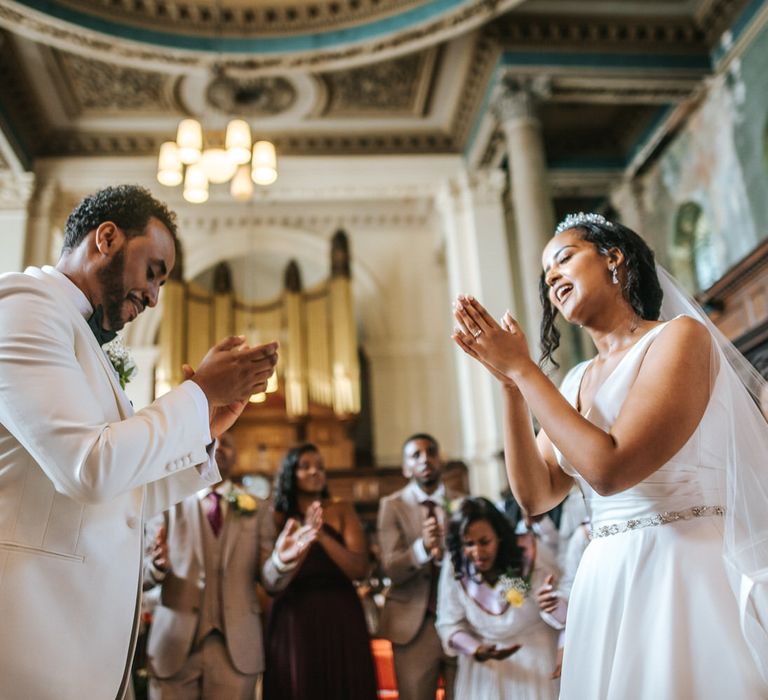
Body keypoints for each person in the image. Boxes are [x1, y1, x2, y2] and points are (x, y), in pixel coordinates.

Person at [451, 212, 768, 698]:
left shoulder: (680, 338)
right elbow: (535, 495)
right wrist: (512, 388)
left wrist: (525, 370)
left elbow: (609, 468)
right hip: (607, 578)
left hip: (680, 566)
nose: (552, 276)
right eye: (545, 275)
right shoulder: (575, 380)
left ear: (613, 259)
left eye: (563, 258)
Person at [0, 185, 278, 700]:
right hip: (31, 639)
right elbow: (89, 468)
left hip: (83, 646)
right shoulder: (24, 308)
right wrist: (196, 394)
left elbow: (124, 495)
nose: (154, 297)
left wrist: (205, 430)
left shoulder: (82, 339)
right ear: (106, 238)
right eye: (153, 271)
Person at [144, 431, 315, 699]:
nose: (220, 446)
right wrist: (156, 566)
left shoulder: (258, 509)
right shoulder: (166, 505)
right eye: (212, 440)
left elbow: (270, 581)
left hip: (236, 649)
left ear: (236, 455)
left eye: (228, 443)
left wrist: (282, 560)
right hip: (173, 648)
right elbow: (139, 579)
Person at [263, 443, 378, 700]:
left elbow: (359, 569)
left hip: (340, 612)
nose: (315, 471)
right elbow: (270, 579)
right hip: (293, 614)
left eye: (320, 467)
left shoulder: (342, 509)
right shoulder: (276, 516)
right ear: (290, 473)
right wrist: (301, 542)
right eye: (305, 467)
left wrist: (322, 537)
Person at [436, 497, 560, 699]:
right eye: (468, 544)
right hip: (485, 670)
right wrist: (476, 649)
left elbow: (563, 602)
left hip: (535, 658)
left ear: (500, 536)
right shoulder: (456, 566)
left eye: (484, 542)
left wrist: (552, 602)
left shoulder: (529, 554)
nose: (477, 552)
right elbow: (448, 624)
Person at [377, 433, 460, 700]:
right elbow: (391, 568)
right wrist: (422, 548)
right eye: (416, 455)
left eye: (431, 452)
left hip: (460, 620)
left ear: (441, 461)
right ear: (405, 468)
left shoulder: (462, 503)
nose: (425, 459)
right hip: (414, 626)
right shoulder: (392, 506)